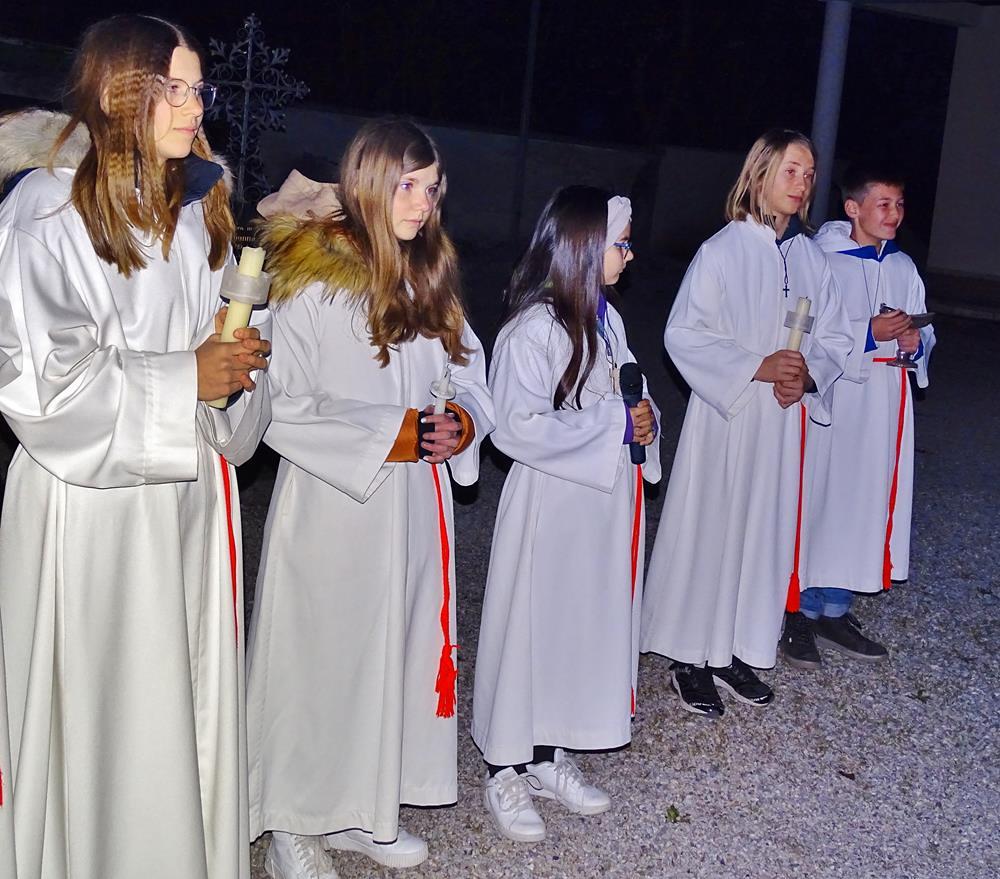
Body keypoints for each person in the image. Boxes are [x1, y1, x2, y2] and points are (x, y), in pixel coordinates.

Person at [0, 15, 271, 879]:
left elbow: (213, 374)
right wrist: (185, 375)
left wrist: (235, 367)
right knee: (106, 714)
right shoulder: (49, 211)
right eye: (175, 89)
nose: (197, 108)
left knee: (179, 707)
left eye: (199, 89)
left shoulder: (189, 213)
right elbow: (41, 385)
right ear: (122, 92)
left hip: (184, 504)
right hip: (91, 509)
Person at [246, 118, 494, 879]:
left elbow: (469, 371)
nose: (422, 203)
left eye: (433, 188)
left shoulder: (428, 276)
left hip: (411, 507)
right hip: (333, 506)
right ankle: (292, 819)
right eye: (408, 186)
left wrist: (463, 420)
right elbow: (279, 404)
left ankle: (364, 807)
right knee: (321, 656)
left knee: (390, 652)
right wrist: (392, 433)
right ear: (368, 183)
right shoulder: (313, 281)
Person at [640, 129, 852, 718]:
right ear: (758, 175)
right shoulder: (722, 250)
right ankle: (690, 656)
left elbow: (835, 337)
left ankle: (734, 647)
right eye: (790, 171)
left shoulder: (811, 258)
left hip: (781, 424)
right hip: (728, 419)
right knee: (712, 528)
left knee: (762, 533)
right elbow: (683, 334)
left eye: (809, 174)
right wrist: (757, 367)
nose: (802, 183)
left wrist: (807, 376)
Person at [472, 187, 661, 842]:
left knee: (573, 626)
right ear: (582, 247)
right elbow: (514, 427)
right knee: (531, 625)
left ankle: (548, 751)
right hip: (548, 508)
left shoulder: (608, 322)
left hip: (597, 510)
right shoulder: (533, 330)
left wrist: (644, 421)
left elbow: (629, 391)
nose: (629, 255)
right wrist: (613, 425)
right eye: (620, 244)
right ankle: (504, 765)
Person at [781, 163, 935, 668]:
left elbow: (924, 332)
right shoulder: (820, 260)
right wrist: (868, 332)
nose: (895, 214)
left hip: (884, 401)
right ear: (853, 208)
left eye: (900, 204)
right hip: (836, 399)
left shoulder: (903, 267)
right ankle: (797, 611)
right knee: (821, 497)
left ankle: (834, 608)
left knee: (863, 500)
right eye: (883, 204)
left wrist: (914, 341)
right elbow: (803, 329)